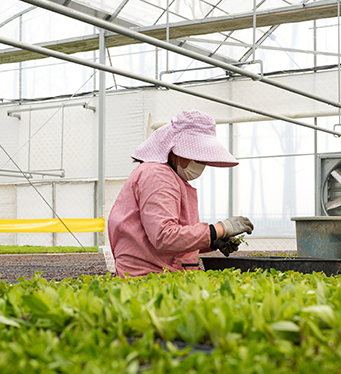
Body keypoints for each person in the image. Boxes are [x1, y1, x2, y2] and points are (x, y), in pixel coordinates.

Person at [108, 110, 254, 277]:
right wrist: (220, 228)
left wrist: (212, 241)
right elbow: (164, 237)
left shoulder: (169, 176)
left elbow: (169, 238)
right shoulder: (157, 175)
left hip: (164, 272)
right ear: (173, 150)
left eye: (203, 160)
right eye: (196, 157)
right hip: (149, 276)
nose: (201, 164)